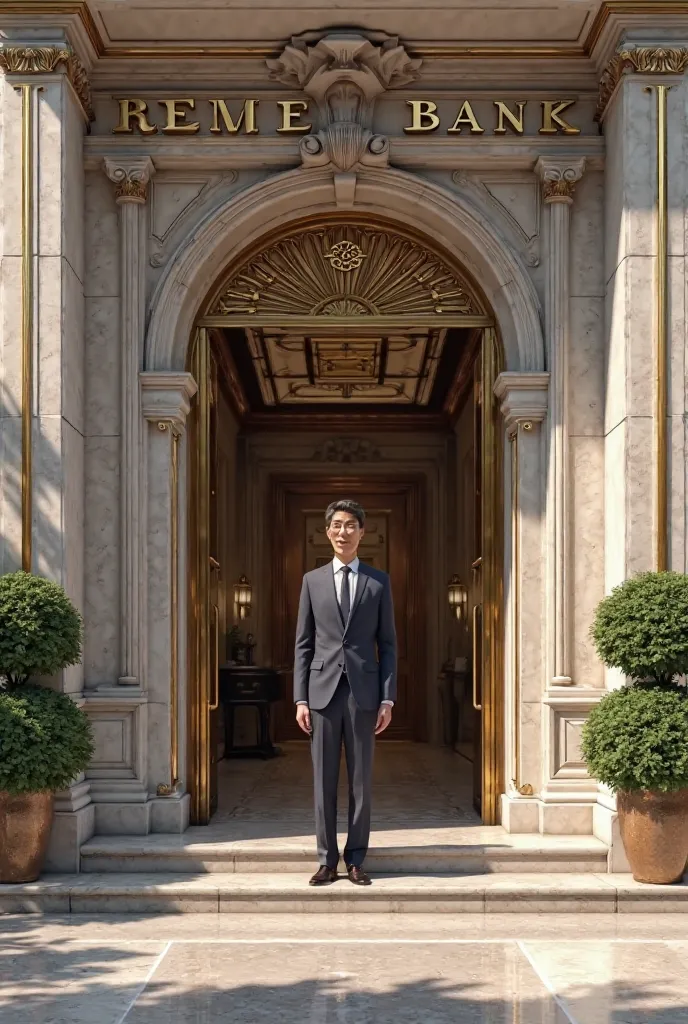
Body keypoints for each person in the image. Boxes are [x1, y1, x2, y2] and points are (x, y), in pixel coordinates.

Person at [293, 499, 397, 886]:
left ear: (362, 532)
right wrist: (299, 698)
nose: (343, 532)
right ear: (327, 532)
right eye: (336, 525)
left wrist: (388, 697)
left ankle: (356, 859)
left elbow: (388, 644)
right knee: (323, 781)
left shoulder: (378, 581)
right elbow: (303, 644)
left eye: (350, 525)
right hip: (320, 694)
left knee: (360, 781)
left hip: (364, 694)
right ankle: (326, 860)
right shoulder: (311, 581)